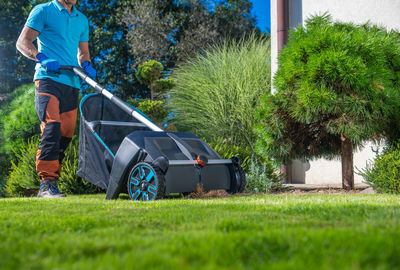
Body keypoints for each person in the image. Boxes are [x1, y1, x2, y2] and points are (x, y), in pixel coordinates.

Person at [16, 0, 96, 198]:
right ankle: (46, 184)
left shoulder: (81, 19)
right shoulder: (43, 11)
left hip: (72, 82)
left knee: (65, 135)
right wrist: (41, 57)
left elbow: (83, 52)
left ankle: (53, 182)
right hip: (47, 79)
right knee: (51, 128)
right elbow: (22, 42)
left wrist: (87, 65)